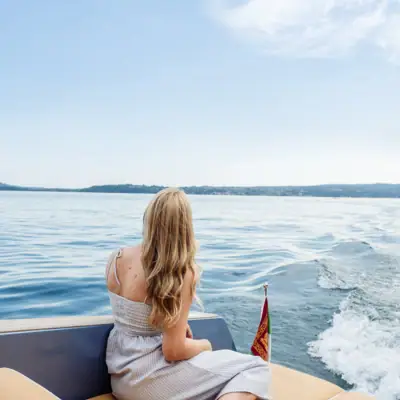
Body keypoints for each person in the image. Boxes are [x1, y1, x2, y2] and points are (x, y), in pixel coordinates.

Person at [105, 188, 270, 400]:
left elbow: (135, 314)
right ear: (184, 226)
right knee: (256, 368)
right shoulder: (179, 272)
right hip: (149, 380)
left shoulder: (116, 258)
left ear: (149, 217)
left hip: (120, 377)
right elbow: (173, 351)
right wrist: (205, 346)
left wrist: (170, 323)